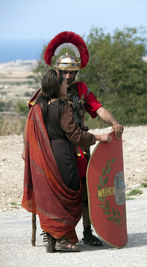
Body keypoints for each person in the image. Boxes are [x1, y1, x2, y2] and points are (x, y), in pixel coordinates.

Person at [26, 31, 124, 247]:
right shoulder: (47, 93)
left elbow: (99, 109)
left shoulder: (81, 90)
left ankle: (87, 232)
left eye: (72, 72)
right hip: (57, 151)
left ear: (77, 72)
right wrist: (31, 149)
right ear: (57, 72)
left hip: (80, 149)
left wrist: (114, 123)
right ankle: (58, 234)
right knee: (58, 194)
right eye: (64, 73)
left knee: (87, 191)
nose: (68, 77)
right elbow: (35, 126)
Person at [22, 68, 111, 253]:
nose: (67, 84)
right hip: (62, 156)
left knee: (50, 197)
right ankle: (62, 239)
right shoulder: (63, 107)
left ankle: (52, 238)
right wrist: (99, 137)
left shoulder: (39, 106)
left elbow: (28, 133)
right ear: (57, 85)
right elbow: (76, 135)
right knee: (68, 196)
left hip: (43, 156)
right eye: (63, 82)